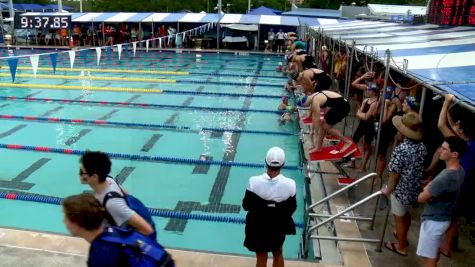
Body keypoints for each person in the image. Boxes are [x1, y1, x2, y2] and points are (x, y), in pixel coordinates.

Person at [62, 193, 174, 267]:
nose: (64, 222)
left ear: (77, 222)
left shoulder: (102, 253)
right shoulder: (113, 232)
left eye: (66, 217)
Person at [427, 94, 475, 256]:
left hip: (459, 184)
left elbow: (441, 124)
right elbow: (451, 125)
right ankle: (449, 245)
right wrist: (448, 108)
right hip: (468, 184)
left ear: (461, 131)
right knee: (455, 216)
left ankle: (446, 247)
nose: (455, 126)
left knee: (451, 216)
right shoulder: (471, 143)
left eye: (458, 126)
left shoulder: (460, 145)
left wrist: (446, 102)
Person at [79, 151, 155, 238]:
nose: (79, 174)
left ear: (95, 177)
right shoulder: (108, 180)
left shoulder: (113, 204)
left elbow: (148, 230)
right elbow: (125, 194)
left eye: (81, 172)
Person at [417, 136, 467, 267]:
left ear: (454, 154)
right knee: (433, 252)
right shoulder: (461, 171)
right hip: (445, 218)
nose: (440, 151)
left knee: (429, 259)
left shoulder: (445, 177)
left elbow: (421, 198)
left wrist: (427, 188)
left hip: (434, 221)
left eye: (444, 149)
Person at [382, 112, 427, 256]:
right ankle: (403, 238)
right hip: (414, 189)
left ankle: (401, 246)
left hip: (401, 190)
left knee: (399, 218)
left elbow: (395, 175)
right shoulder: (421, 147)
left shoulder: (402, 149)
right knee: (406, 215)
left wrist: (388, 190)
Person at [243, 147, 296, 267]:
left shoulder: (253, 182)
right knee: (278, 253)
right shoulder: (290, 184)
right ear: (283, 164)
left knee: (261, 256)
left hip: (257, 226)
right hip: (277, 227)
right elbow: (291, 209)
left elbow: (246, 206)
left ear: (265, 162)